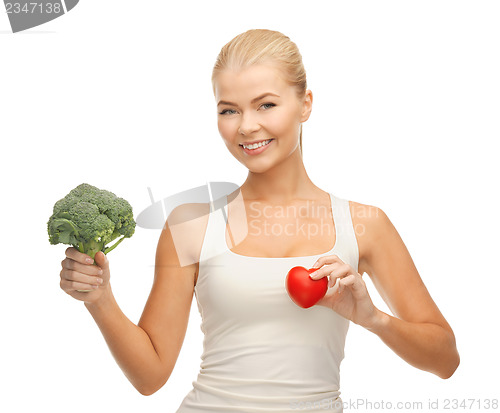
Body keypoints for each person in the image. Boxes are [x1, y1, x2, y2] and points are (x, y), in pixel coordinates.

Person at [59, 29, 460, 412]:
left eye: (266, 104)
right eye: (229, 110)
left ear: (305, 104)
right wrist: (101, 299)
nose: (247, 126)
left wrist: (373, 319)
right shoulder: (190, 225)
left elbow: (446, 360)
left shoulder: (364, 224)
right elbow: (151, 376)